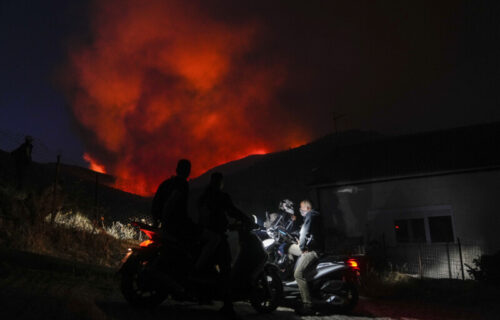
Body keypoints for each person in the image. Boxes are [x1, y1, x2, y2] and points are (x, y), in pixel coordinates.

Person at [197, 172, 254, 318]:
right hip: (216, 235)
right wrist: (248, 220)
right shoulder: (220, 196)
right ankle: (228, 305)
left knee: (210, 264)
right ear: (220, 182)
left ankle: (206, 295)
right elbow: (232, 210)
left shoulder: (204, 195)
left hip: (203, 234)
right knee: (226, 267)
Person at [294, 200, 324, 316]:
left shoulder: (310, 215)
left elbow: (305, 232)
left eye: (301, 208)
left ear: (307, 208)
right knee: (289, 248)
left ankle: (308, 305)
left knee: (298, 274)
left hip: (313, 251)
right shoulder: (315, 215)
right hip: (312, 247)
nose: (300, 211)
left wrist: (302, 246)